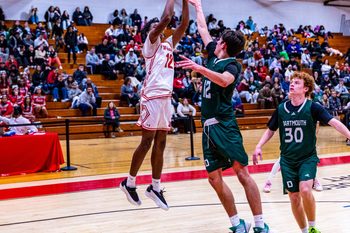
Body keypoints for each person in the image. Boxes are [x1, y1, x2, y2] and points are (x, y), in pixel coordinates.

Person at [176, 0, 270, 232]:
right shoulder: (213, 56)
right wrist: (198, 7)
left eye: (219, 40)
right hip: (208, 127)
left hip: (225, 125)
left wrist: (200, 69)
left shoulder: (232, 65)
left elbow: (224, 80)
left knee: (241, 172)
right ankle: (237, 224)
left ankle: (260, 224)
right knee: (213, 178)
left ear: (224, 44)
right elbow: (202, 29)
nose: (214, 41)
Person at [253, 72, 350, 233]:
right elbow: (270, 129)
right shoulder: (281, 108)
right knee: (294, 197)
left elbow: (334, 123)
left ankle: (312, 227)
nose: (292, 84)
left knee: (305, 190)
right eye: (291, 82)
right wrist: (258, 146)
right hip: (287, 160)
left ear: (305, 88)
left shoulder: (313, 107)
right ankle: (304, 231)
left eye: (297, 83)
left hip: (307, 158)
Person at [119, 0, 189, 211]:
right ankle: (129, 182)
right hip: (151, 97)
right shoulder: (150, 44)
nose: (158, 27)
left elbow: (184, 23)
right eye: (155, 26)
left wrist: (185, 2)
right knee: (147, 141)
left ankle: (155, 187)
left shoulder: (168, 44)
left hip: (166, 98)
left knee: (161, 143)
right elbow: (167, 18)